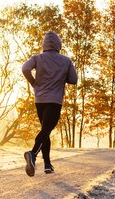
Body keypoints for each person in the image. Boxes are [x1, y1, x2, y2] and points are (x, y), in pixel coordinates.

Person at [21, 31, 77, 176]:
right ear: (59, 44)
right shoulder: (66, 60)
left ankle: (47, 164)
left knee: (45, 131)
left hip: (40, 100)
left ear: (44, 44)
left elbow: (25, 68)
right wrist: (61, 76)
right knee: (46, 130)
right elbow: (74, 79)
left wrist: (34, 83)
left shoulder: (37, 58)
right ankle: (32, 154)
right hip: (55, 100)